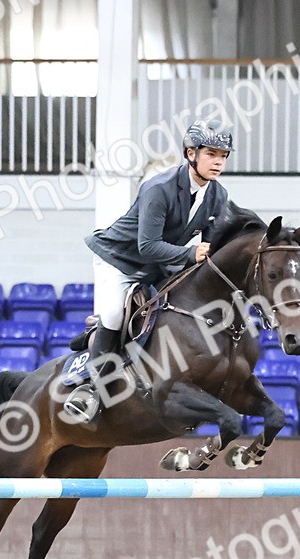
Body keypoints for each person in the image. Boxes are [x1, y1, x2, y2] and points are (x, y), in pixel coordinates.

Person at [63, 118, 235, 423]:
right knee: (115, 313)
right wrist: (190, 253)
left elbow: (209, 250)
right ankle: (90, 390)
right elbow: (147, 246)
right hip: (119, 258)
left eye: (223, 155)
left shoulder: (217, 196)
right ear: (191, 153)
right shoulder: (159, 188)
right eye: (211, 154)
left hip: (159, 263)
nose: (218, 162)